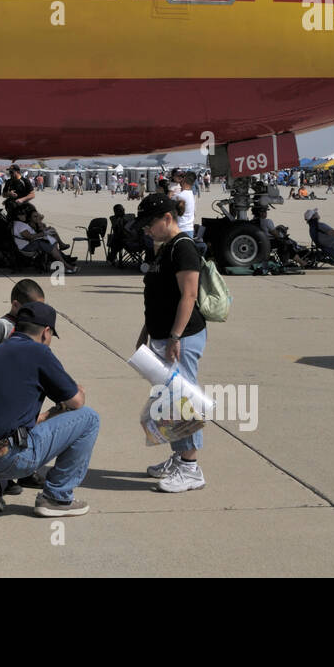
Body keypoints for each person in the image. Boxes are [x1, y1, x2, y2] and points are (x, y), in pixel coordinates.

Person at [0, 303, 98, 516]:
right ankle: (56, 498)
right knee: (89, 418)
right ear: (46, 332)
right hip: (7, 458)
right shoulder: (39, 352)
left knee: (7, 428)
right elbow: (77, 402)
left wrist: (54, 412)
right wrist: (78, 390)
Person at [135, 193, 208, 493]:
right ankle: (179, 457)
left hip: (182, 337)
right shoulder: (165, 249)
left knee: (182, 399)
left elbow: (188, 296)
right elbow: (158, 298)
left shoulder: (183, 248)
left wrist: (175, 336)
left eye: (149, 224)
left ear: (168, 218)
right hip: (163, 335)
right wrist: (147, 331)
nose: (146, 230)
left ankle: (190, 468)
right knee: (168, 400)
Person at [0, 278, 45, 352]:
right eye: (33, 309)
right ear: (15, 305)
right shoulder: (3, 325)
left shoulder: (35, 325)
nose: (37, 312)